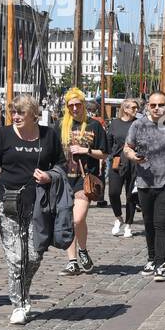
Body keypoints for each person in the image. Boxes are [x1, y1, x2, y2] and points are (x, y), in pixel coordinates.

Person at [0, 94, 63, 324]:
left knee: (34, 255)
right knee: (17, 258)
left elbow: (61, 164)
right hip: (9, 202)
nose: (16, 117)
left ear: (33, 115)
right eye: (13, 112)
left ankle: (23, 292)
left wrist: (50, 175)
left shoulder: (49, 135)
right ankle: (18, 305)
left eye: (20, 112)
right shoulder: (4, 135)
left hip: (39, 203)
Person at [124, 91, 165, 282]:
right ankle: (151, 258)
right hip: (145, 181)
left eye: (161, 105)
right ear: (147, 107)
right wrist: (132, 156)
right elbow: (127, 147)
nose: (157, 109)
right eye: (153, 105)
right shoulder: (138, 125)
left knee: (161, 222)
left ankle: (160, 264)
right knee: (149, 223)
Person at [59, 88, 107, 276]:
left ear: (83, 105)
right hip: (64, 178)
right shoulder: (61, 125)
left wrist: (85, 150)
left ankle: (83, 250)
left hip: (84, 178)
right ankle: (72, 261)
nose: (75, 108)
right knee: (67, 220)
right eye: (71, 106)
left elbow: (104, 153)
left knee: (77, 219)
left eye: (78, 104)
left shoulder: (94, 126)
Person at [106, 98, 140, 237]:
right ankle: (118, 217)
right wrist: (108, 156)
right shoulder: (115, 123)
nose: (135, 110)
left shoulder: (138, 124)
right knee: (113, 193)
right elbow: (109, 142)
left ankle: (128, 224)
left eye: (137, 108)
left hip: (134, 162)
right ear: (125, 109)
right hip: (117, 161)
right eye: (132, 107)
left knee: (131, 194)